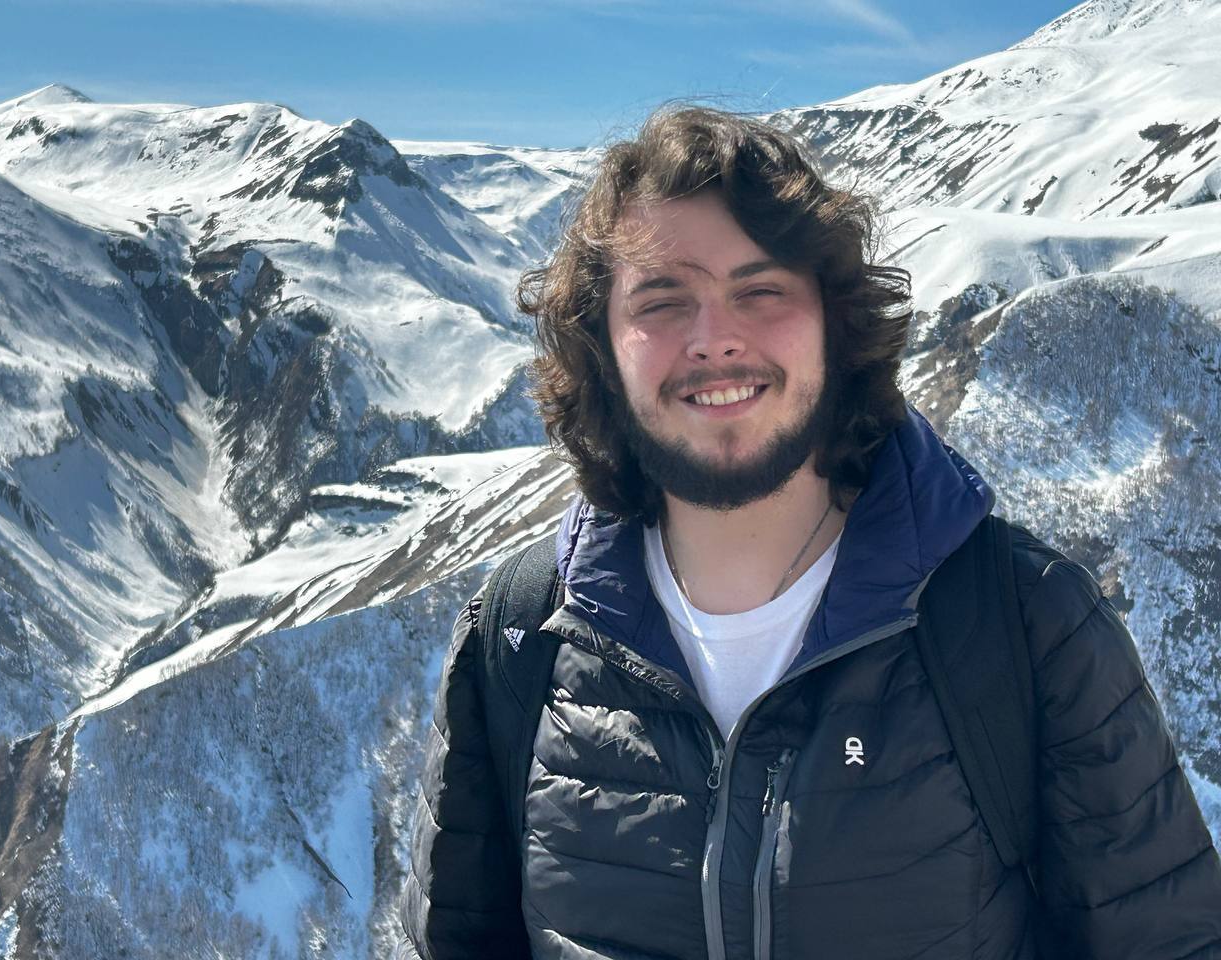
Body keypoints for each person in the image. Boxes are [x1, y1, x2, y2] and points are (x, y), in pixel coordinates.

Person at [395, 106, 1221, 959]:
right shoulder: (519, 637)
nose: (714, 341)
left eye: (761, 290)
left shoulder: (1024, 623)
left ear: (835, 325)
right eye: (662, 300)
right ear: (602, 349)